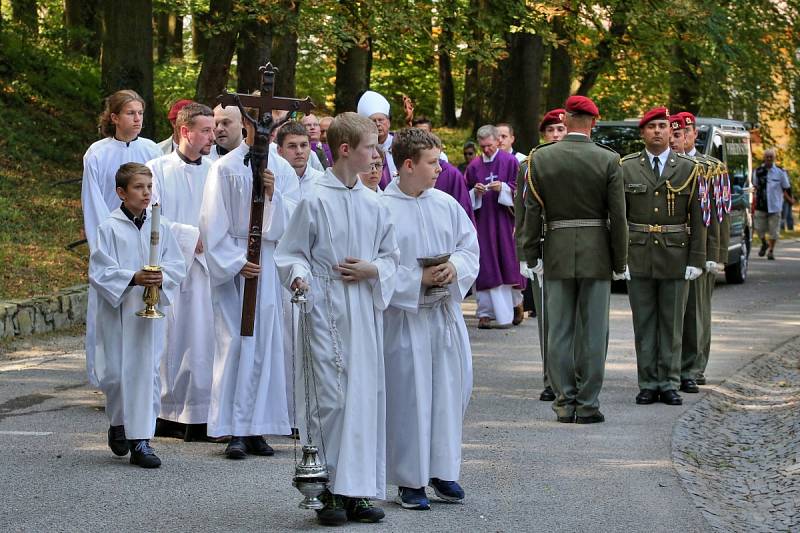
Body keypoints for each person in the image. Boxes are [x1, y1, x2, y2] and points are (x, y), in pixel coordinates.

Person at [274, 112, 399, 526]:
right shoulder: (314, 199)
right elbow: (292, 252)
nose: (376, 154)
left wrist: (373, 270)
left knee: (363, 396)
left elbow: (391, 257)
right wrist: (299, 277)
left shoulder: (375, 203)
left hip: (361, 308)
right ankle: (326, 488)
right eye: (370, 146)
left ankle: (358, 490)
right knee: (330, 399)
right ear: (345, 150)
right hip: (323, 305)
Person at [380, 128, 479, 509]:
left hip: (444, 315)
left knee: (449, 393)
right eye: (432, 162)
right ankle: (410, 481)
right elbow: (379, 266)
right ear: (408, 165)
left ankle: (442, 470)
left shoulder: (445, 204)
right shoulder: (382, 208)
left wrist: (454, 267)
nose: (440, 169)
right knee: (410, 397)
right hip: (406, 319)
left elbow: (469, 248)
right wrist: (414, 279)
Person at [199, 104, 298, 459]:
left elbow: (296, 219)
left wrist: (274, 195)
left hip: (268, 261)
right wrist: (235, 262)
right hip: (237, 265)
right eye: (256, 124)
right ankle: (234, 429)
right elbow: (212, 221)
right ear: (246, 125)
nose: (263, 131)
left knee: (267, 345)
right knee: (237, 345)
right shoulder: (224, 168)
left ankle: (258, 427)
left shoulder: (282, 168)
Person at [520, 96, 627, 423]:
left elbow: (531, 213)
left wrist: (530, 253)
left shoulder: (540, 159)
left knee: (559, 331)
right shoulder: (608, 160)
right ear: (593, 122)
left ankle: (565, 402)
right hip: (596, 252)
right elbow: (618, 217)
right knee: (594, 332)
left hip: (556, 250)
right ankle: (588, 404)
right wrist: (620, 262)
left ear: (565, 120)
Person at [89, 162, 185, 468]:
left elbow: (176, 264)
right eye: (138, 188)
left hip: (148, 313)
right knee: (116, 375)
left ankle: (142, 440)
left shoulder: (162, 226)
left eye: (148, 187)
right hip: (120, 310)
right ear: (121, 192)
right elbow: (100, 271)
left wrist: (161, 276)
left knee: (146, 374)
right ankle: (118, 422)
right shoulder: (109, 228)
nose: (146, 193)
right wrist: (133, 277)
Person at [621, 107, 705, 407]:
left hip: (675, 254)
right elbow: (617, 216)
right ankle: (647, 382)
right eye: (651, 126)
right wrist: (620, 259)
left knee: (672, 324)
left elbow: (698, 217)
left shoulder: (688, 168)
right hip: (639, 252)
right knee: (644, 323)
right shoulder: (627, 167)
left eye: (662, 126)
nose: (657, 131)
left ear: (672, 132)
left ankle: (669, 382)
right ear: (642, 133)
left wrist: (697, 259)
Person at [146, 103, 217, 441]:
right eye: (205, 130)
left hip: (208, 270)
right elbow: (150, 215)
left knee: (204, 342)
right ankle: (166, 413)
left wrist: (211, 239)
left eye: (213, 129)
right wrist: (190, 237)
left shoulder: (218, 169)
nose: (212, 136)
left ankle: (202, 415)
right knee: (172, 340)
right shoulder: (156, 169)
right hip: (174, 268)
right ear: (185, 131)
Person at [82, 89, 161, 389]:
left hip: (144, 239)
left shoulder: (152, 151)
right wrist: (104, 246)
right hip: (111, 240)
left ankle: (142, 380)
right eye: (130, 113)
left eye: (140, 113)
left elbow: (156, 198)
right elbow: (94, 202)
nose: (138, 118)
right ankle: (108, 379)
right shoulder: (98, 153)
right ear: (114, 117)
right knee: (109, 318)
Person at [514, 107, 566, 402]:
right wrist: (524, 253)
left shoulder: (578, 162)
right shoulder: (530, 165)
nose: (556, 135)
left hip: (572, 245)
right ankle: (550, 377)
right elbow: (522, 214)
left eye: (561, 130)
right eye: (551, 131)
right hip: (543, 245)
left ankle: (574, 373)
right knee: (547, 317)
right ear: (543, 135)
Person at [675, 111, 724, 393]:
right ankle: (674, 365)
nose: (677, 137)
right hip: (672, 247)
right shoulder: (669, 164)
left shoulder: (710, 167)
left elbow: (719, 215)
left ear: (695, 135)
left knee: (696, 310)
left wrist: (714, 254)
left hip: (701, 246)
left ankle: (694, 367)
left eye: (683, 132)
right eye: (674, 133)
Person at [465, 125, 524, 329]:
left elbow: (521, 190)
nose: (486, 150)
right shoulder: (473, 166)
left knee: (507, 263)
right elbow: (465, 195)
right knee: (486, 265)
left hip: (505, 222)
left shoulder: (510, 162)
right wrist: (476, 192)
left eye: (489, 146)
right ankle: (485, 313)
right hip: (484, 224)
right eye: (482, 147)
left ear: (498, 141)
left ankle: (515, 304)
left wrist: (504, 189)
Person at [753, 148, 793, 260]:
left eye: (771, 157)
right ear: (764, 158)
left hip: (775, 206)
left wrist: (790, 199)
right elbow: (755, 186)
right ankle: (764, 243)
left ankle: (771, 251)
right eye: (767, 157)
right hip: (760, 205)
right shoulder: (758, 171)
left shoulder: (780, 172)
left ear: (774, 158)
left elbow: (786, 187)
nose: (769, 159)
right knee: (759, 228)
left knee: (774, 231)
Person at [277, 121, 325, 199]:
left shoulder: (322, 181)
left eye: (303, 145)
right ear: (279, 150)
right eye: (292, 146)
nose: (299, 151)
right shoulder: (274, 181)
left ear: (310, 147)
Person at [358, 90, 396, 189]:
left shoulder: (400, 144)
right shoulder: (360, 148)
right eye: (373, 121)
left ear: (389, 122)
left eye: (381, 120)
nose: (378, 124)